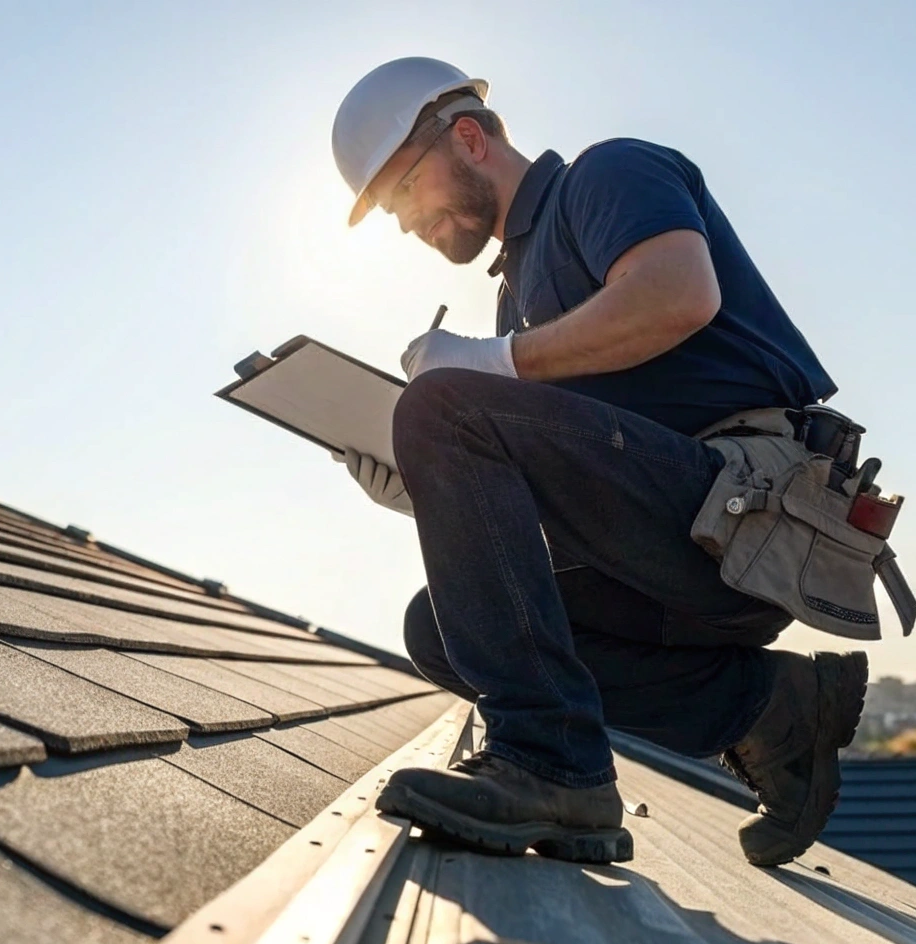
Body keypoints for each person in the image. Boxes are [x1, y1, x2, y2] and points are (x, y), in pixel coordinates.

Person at [330, 57, 871, 867]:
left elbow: (679, 294)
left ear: (468, 139)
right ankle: (773, 711)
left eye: (405, 191)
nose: (406, 224)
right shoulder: (516, 298)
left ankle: (554, 768)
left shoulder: (607, 175)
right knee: (440, 628)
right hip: (674, 550)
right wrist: (427, 486)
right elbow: (573, 484)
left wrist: (474, 381)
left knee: (441, 406)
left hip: (755, 517)